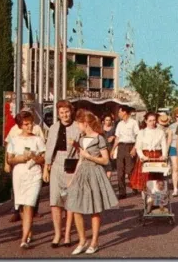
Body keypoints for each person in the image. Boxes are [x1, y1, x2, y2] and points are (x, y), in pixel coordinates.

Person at [65, 109, 118, 255]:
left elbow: (106, 160)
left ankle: (94, 242)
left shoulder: (99, 138)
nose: (77, 127)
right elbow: (80, 160)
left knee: (95, 209)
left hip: (95, 173)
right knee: (75, 207)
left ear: (86, 123)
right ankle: (82, 240)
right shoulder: (81, 139)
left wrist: (89, 156)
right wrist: (73, 178)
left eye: (79, 124)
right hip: (82, 173)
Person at [6, 110, 46, 249]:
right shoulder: (14, 140)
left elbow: (43, 158)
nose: (29, 127)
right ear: (20, 126)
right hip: (19, 174)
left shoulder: (37, 139)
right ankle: (28, 231)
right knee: (22, 205)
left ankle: (23, 238)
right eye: (26, 124)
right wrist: (20, 158)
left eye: (31, 123)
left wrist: (35, 157)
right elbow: (10, 159)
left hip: (34, 174)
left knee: (29, 205)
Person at [43, 100, 80, 248]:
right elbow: (49, 148)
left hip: (72, 164)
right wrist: (46, 167)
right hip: (57, 163)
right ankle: (57, 233)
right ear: (58, 114)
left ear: (71, 112)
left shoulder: (78, 127)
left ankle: (67, 235)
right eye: (61, 112)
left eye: (67, 111)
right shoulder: (53, 128)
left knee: (70, 201)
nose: (64, 115)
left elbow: (83, 148)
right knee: (55, 201)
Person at [129, 112, 168, 191]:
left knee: (156, 179)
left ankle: (156, 197)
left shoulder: (160, 132)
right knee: (145, 180)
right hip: (146, 157)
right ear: (146, 121)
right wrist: (142, 156)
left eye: (154, 120)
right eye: (150, 120)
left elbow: (164, 145)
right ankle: (147, 199)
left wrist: (164, 155)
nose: (152, 122)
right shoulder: (141, 132)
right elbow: (138, 147)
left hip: (157, 157)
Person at [111, 105, 140, 200]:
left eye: (119, 112)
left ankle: (134, 186)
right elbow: (117, 138)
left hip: (130, 146)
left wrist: (134, 149)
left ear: (124, 112)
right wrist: (113, 149)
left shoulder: (134, 123)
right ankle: (122, 192)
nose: (118, 114)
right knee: (120, 171)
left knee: (130, 170)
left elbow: (138, 137)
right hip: (121, 147)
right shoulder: (119, 124)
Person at [102, 114, 116, 180]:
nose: (108, 122)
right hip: (102, 149)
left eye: (109, 120)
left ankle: (108, 182)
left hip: (110, 148)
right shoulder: (100, 128)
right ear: (104, 121)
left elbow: (118, 136)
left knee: (109, 166)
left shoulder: (114, 128)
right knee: (102, 166)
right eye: (106, 120)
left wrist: (113, 137)